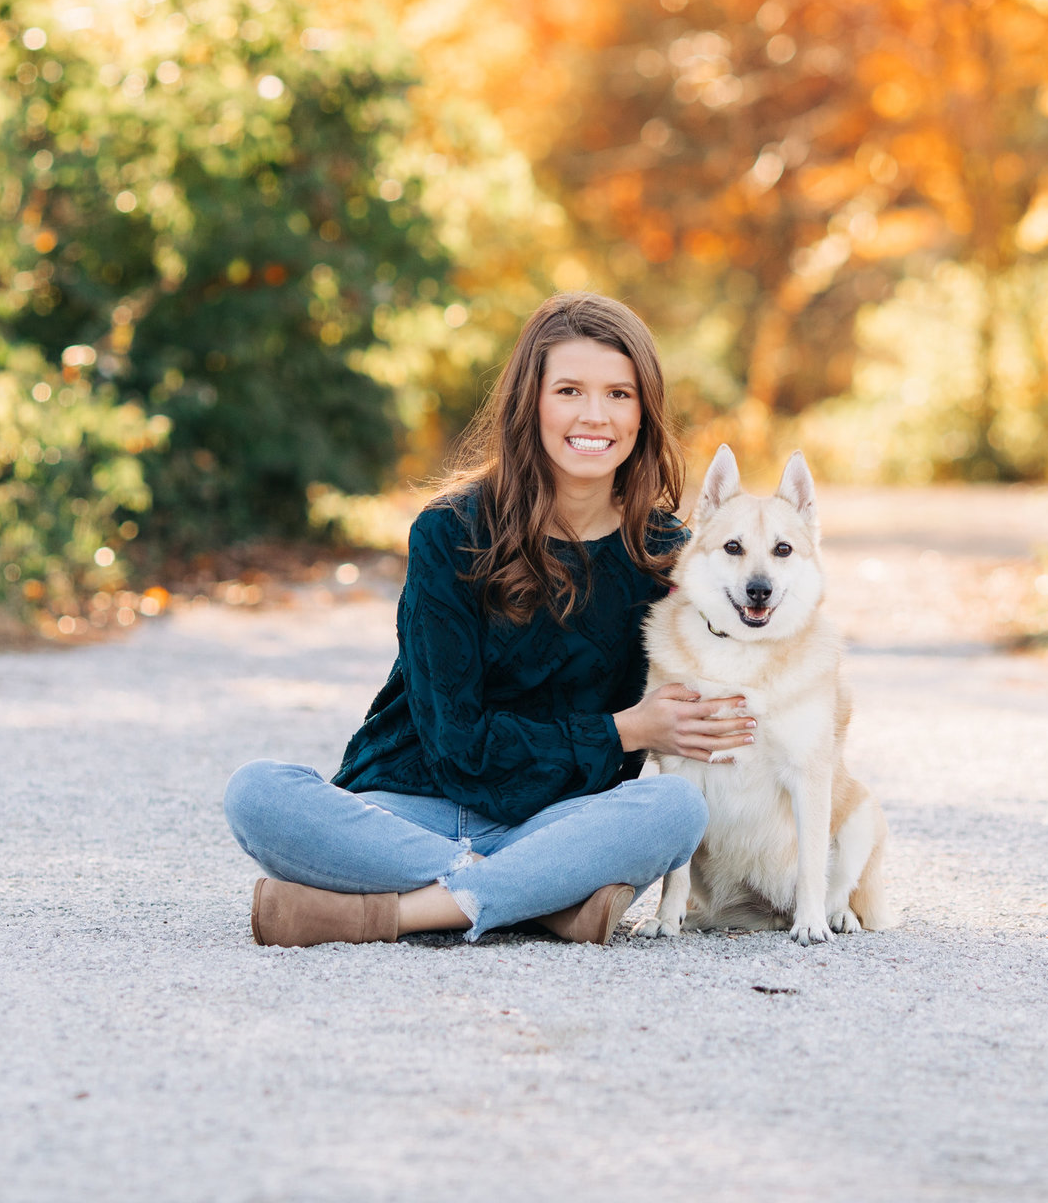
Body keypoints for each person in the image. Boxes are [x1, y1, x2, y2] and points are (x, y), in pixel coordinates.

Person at [223, 292, 752, 947]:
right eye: (569, 390)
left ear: (645, 411)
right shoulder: (450, 533)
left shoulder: (669, 553)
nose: (596, 415)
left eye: (620, 394)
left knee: (673, 810)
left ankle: (397, 913)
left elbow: (742, 675)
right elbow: (455, 743)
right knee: (257, 793)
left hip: (558, 819)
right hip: (407, 810)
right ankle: (542, 898)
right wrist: (629, 730)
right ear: (530, 402)